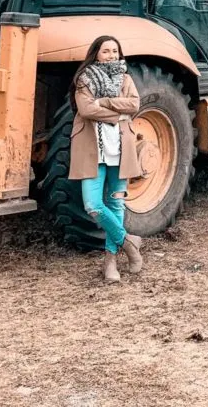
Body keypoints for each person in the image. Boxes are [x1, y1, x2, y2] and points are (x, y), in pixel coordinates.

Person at [69, 35, 145, 283]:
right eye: (106, 51)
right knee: (93, 205)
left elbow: (133, 104)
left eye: (115, 51)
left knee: (116, 204)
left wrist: (104, 102)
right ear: (96, 54)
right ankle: (129, 243)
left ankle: (110, 262)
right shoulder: (85, 79)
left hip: (121, 150)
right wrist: (117, 115)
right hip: (92, 150)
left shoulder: (126, 79)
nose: (111, 55)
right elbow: (86, 109)